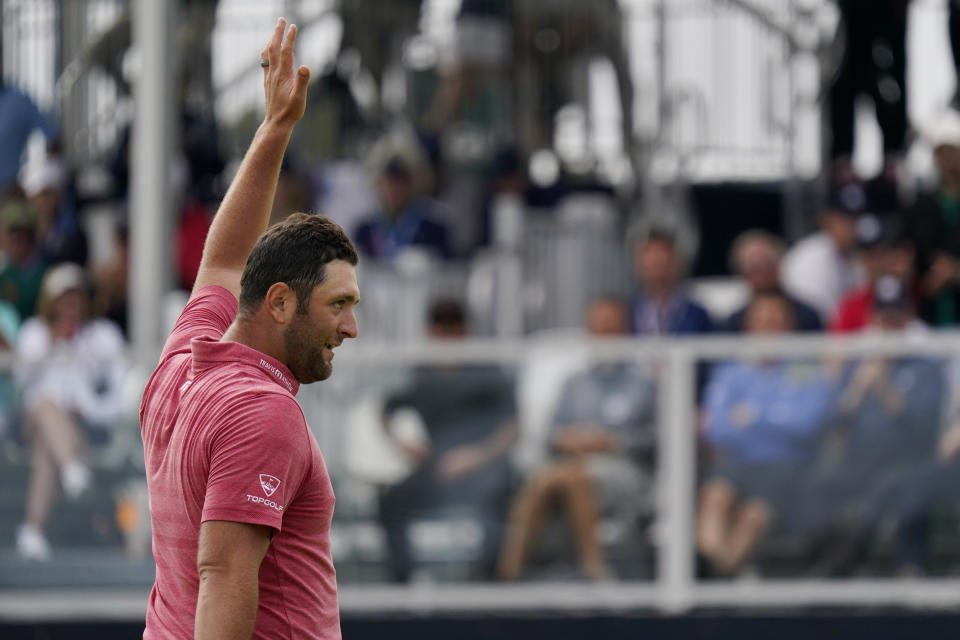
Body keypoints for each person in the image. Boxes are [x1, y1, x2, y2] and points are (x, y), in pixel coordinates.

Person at [140, 20, 359, 639]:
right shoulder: (263, 412)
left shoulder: (185, 360)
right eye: (338, 304)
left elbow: (224, 261)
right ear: (282, 303)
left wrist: (275, 128)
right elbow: (225, 575)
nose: (351, 326)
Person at [497, 297, 657, 581]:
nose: (604, 338)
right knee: (566, 476)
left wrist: (611, 442)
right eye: (598, 330)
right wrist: (568, 440)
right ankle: (592, 569)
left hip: (623, 474)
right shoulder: (574, 382)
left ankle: (509, 573)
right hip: (570, 468)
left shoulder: (643, 383)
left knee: (558, 478)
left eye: (611, 329)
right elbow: (551, 434)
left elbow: (656, 440)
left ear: (627, 332)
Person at [697, 290, 840, 576]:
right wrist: (773, 417)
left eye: (775, 322)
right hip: (738, 462)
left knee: (753, 516)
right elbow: (716, 428)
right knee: (715, 496)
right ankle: (716, 575)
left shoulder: (804, 368)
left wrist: (751, 417)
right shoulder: (731, 370)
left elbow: (806, 423)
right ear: (748, 327)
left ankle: (716, 581)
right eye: (761, 321)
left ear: (789, 327)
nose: (767, 329)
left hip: (786, 467)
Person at [377, 298, 518, 583]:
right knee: (392, 500)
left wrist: (476, 456)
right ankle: (404, 581)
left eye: (453, 330)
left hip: (485, 466)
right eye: (441, 331)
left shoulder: (486, 368)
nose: (447, 338)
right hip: (439, 468)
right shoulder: (423, 374)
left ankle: (491, 586)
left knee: (496, 503)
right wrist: (404, 445)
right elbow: (386, 408)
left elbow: (511, 427)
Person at [14, 263, 128, 561]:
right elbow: (21, 384)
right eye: (64, 298)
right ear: (51, 302)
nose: (70, 305)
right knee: (45, 405)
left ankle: (32, 530)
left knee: (46, 451)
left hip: (80, 429)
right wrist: (52, 344)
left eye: (76, 297)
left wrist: (91, 409)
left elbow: (123, 395)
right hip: (32, 421)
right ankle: (72, 471)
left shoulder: (103, 335)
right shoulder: (33, 333)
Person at [828, 0, 910, 186]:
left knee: (889, 82)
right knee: (847, 78)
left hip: (889, 11)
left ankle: (893, 155)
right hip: (855, 11)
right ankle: (843, 157)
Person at [907, 109, 960, 327]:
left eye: (952, 153)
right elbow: (912, 251)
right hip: (929, 315)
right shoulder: (922, 204)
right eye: (941, 154)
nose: (947, 162)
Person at [781, 185, 864, 320]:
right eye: (844, 219)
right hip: (812, 335)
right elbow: (817, 314)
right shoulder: (807, 257)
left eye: (856, 218)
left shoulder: (861, 256)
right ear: (827, 221)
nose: (852, 226)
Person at [720, 229, 823, 333]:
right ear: (741, 273)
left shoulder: (808, 317)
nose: (762, 274)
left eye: (767, 265)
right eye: (754, 269)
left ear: (779, 266)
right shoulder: (733, 323)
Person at [353, 153, 451, 261]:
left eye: (401, 183)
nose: (395, 190)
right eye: (390, 183)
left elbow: (450, 267)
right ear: (379, 185)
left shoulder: (433, 229)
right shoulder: (365, 230)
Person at [830, 215, 916, 333]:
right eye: (867, 254)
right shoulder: (851, 306)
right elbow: (835, 348)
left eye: (879, 253)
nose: (873, 262)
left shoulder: (915, 292)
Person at [630, 229, 713, 336]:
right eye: (649, 253)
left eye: (663, 252)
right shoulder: (626, 313)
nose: (656, 259)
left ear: (677, 261)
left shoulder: (698, 315)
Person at [0, 200, 49, 320]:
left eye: (22, 232)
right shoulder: (3, 271)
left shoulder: (48, 274)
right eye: (12, 232)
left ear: (32, 236)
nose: (16, 238)